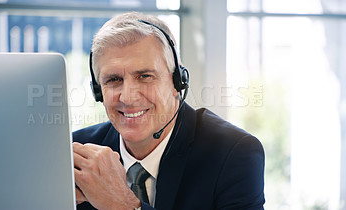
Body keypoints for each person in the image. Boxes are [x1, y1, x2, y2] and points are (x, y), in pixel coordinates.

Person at [72, 12, 265, 210]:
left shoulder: (233, 154)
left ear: (177, 82)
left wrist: (123, 205)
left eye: (144, 76)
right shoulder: (76, 156)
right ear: (98, 91)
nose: (128, 97)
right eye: (113, 80)